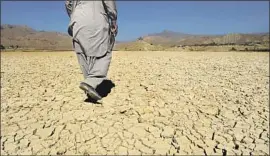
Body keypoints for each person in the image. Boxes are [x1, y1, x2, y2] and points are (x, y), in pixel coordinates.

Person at [65, 0, 118, 101]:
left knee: (82, 53)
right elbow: (109, 3)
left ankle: (89, 87)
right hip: (96, 19)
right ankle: (91, 82)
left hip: (77, 20)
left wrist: (75, 15)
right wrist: (113, 19)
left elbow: (68, 3)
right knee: (104, 52)